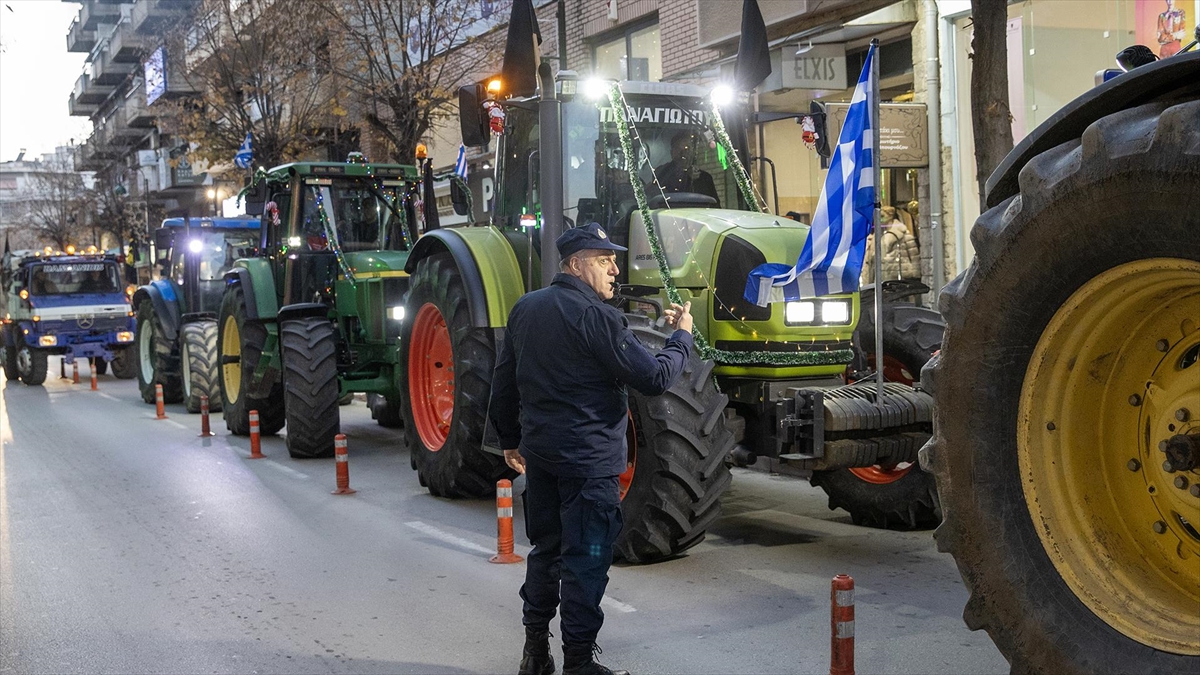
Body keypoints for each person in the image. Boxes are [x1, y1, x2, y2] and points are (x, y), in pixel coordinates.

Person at [490, 222, 695, 675]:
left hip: (541, 459)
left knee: (546, 553)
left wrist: (508, 439)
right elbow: (654, 377)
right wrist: (682, 336)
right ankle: (579, 665)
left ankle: (534, 655)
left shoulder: (526, 308)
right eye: (604, 261)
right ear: (576, 265)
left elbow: (504, 379)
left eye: (614, 261)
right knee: (585, 563)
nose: (614, 269)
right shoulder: (597, 317)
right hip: (589, 464)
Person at [652, 132, 720, 206]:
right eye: (679, 149)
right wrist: (686, 175)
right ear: (672, 152)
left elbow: (715, 206)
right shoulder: (662, 172)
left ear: (693, 152)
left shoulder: (705, 178)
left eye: (687, 148)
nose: (683, 153)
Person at [862, 205, 921, 284]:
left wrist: (915, 275)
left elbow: (914, 256)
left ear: (890, 216)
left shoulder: (903, 235)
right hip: (881, 276)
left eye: (882, 216)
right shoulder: (876, 237)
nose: (880, 219)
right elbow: (870, 260)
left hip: (899, 275)